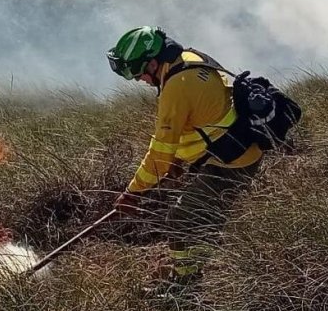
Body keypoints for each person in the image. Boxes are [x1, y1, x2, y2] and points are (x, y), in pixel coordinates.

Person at [106, 27, 264, 287]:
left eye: (139, 73)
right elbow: (202, 121)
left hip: (231, 162)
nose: (140, 80)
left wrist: (133, 193)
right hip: (235, 150)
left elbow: (159, 152)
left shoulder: (177, 87)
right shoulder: (189, 59)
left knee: (180, 219)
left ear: (153, 63)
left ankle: (186, 286)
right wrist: (179, 161)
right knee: (201, 218)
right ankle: (199, 266)